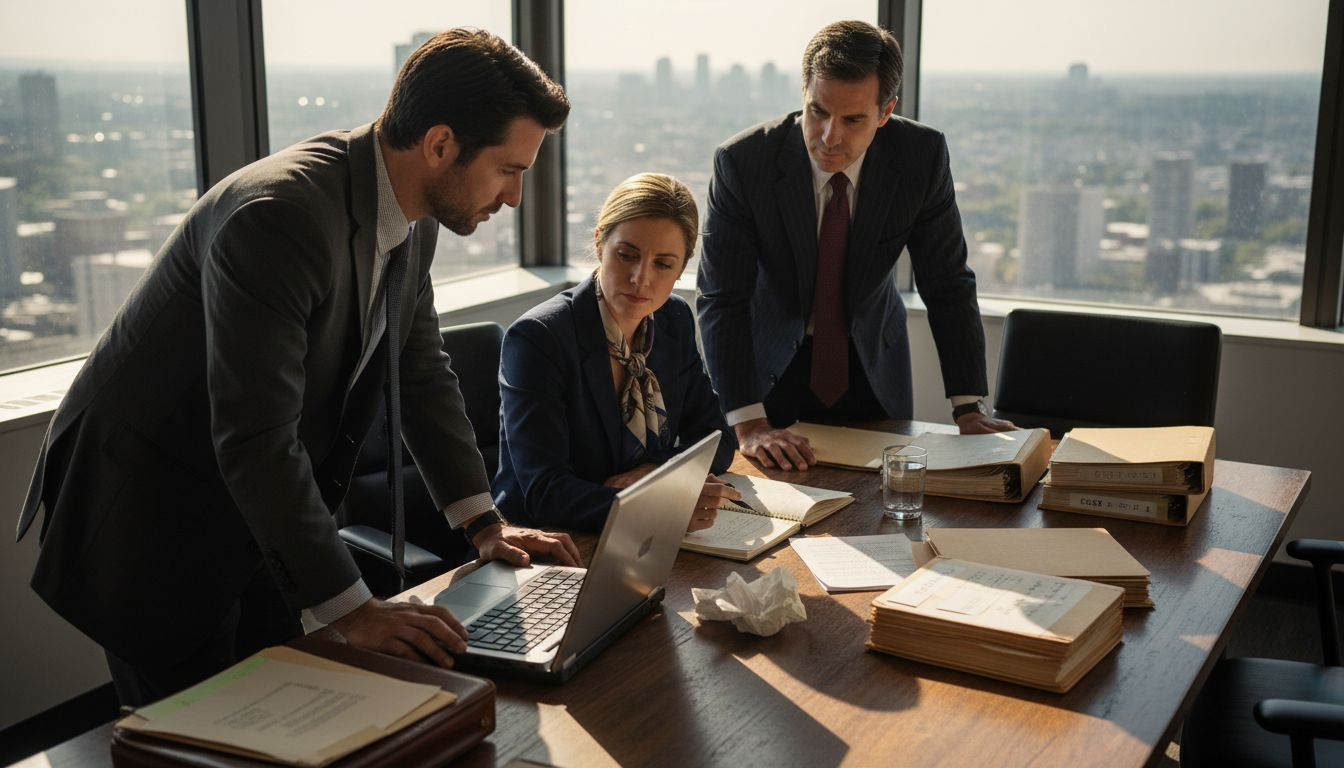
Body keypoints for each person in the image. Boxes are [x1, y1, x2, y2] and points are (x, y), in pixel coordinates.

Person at [13, 29, 580, 706]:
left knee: (282, 709)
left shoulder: (412, 214)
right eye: (510, 170)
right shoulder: (279, 217)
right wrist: (357, 612)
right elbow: (254, 439)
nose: (515, 198)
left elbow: (421, 370)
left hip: (258, 513)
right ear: (439, 145)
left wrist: (485, 523)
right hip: (155, 513)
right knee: (195, 733)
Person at [696, 20, 1015, 473]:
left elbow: (948, 282)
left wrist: (969, 408)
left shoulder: (919, 157)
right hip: (768, 377)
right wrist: (748, 423)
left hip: (871, 368)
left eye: (852, 120)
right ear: (803, 92)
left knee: (883, 513)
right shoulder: (744, 162)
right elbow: (721, 297)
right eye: (818, 111)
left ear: (885, 113)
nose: (829, 136)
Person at [493, 173, 739, 533]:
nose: (641, 278)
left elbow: (717, 440)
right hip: (546, 543)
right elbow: (545, 493)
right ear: (599, 244)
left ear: (682, 267)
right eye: (627, 255)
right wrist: (656, 505)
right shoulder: (539, 338)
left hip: (636, 537)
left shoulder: (672, 318)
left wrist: (657, 474)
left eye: (663, 264)